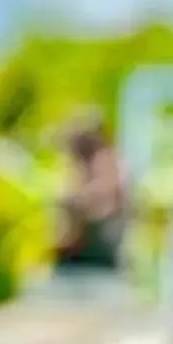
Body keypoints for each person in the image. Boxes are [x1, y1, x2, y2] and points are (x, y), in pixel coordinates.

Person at [53, 112, 128, 276]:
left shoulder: (105, 159)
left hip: (100, 249)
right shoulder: (77, 164)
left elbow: (105, 196)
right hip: (74, 252)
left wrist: (74, 199)